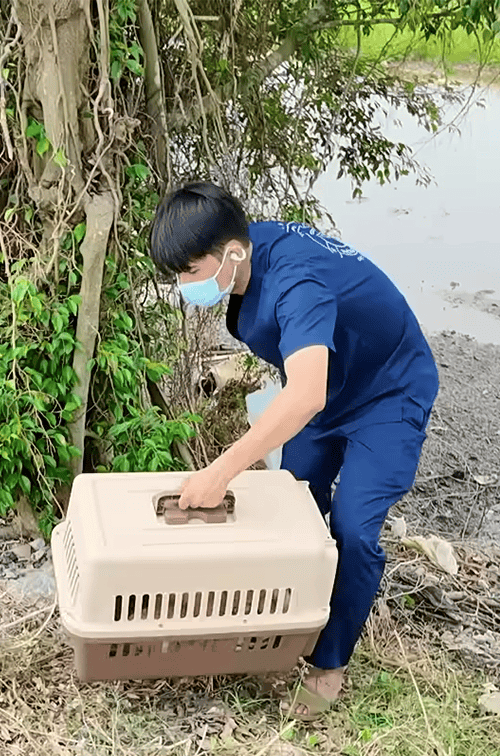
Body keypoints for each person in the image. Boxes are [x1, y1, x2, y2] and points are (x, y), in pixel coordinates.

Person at [148, 181, 439, 721]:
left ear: (232, 253)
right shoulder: (245, 253)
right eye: (177, 274)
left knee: (352, 524)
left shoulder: (296, 280)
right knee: (296, 503)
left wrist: (222, 469)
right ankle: (290, 622)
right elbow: (305, 382)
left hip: (388, 392)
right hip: (330, 390)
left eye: (190, 270)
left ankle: (329, 663)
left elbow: (302, 394)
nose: (184, 285)